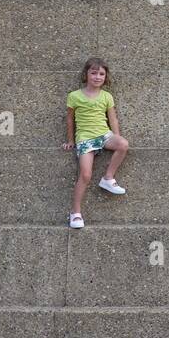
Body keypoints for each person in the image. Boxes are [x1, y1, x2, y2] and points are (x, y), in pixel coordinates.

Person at [63, 57, 130, 227]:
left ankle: (108, 178)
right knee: (85, 175)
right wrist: (71, 140)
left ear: (105, 77)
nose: (97, 77)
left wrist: (116, 136)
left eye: (101, 74)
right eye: (94, 73)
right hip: (85, 138)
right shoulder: (74, 96)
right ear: (86, 74)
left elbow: (113, 119)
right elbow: (70, 120)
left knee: (123, 144)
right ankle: (75, 212)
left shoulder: (107, 96)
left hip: (104, 135)